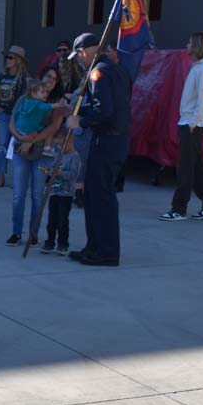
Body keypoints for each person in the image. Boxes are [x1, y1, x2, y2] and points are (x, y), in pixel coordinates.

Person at [67, 32, 131, 267]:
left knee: (101, 197)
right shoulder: (116, 69)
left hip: (107, 141)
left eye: (79, 56)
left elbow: (103, 111)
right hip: (113, 139)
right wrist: (80, 113)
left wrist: (80, 121)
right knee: (93, 196)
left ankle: (106, 251)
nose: (79, 60)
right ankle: (93, 246)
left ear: (85, 51)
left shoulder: (99, 72)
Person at [162, 32, 203, 222]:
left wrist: (193, 124)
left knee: (185, 168)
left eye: (189, 42)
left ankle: (179, 209)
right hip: (190, 123)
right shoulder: (199, 68)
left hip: (192, 125)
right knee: (195, 167)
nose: (186, 45)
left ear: (196, 46)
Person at [6, 79, 59, 246]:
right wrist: (21, 137)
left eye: (54, 79)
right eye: (47, 79)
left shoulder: (53, 105)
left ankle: (33, 233)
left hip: (42, 152)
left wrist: (32, 140)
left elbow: (53, 128)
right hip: (21, 148)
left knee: (37, 195)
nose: (50, 84)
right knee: (18, 194)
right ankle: (16, 232)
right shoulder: (24, 100)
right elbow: (12, 122)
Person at [39, 121, 81, 255]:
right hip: (54, 191)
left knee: (62, 220)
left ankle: (63, 244)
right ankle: (49, 242)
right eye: (57, 144)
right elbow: (54, 167)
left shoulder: (74, 157)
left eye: (61, 144)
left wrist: (61, 173)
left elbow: (74, 175)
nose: (58, 146)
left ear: (70, 141)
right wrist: (48, 171)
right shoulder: (58, 153)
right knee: (52, 219)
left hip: (66, 193)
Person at [0, 46, 29, 188]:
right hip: (3, 115)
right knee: (2, 145)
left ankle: (18, 177)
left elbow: (25, 97)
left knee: (16, 146)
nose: (7, 60)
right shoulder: (3, 75)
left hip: (17, 117)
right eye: (7, 57)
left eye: (11, 57)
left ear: (18, 60)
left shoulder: (23, 78)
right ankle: (0, 175)